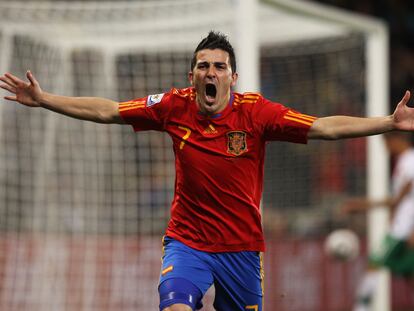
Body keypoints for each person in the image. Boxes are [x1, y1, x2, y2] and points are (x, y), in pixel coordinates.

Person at [1, 31, 414, 311]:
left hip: (242, 249)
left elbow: (324, 126)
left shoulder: (258, 113)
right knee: (176, 305)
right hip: (188, 243)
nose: (210, 73)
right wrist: (45, 99)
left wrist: (387, 123)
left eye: (219, 67)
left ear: (233, 76)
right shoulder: (171, 105)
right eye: (203, 66)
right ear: (192, 76)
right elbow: (108, 110)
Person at [342, 131, 414, 311]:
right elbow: (398, 200)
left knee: (375, 262)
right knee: (409, 274)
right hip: (402, 227)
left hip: (404, 230)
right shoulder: (404, 162)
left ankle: (361, 307)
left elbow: (398, 200)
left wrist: (361, 205)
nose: (386, 148)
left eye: (386, 143)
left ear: (396, 140)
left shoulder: (410, 161)